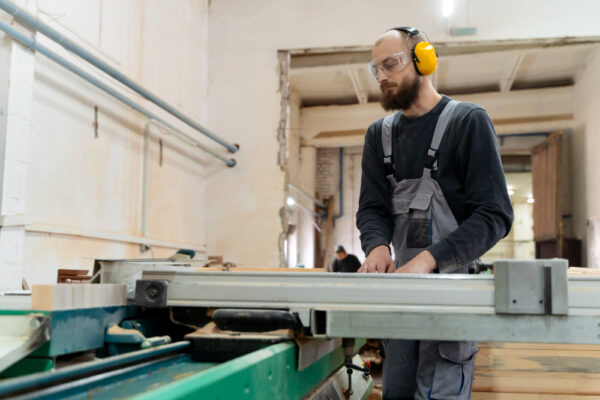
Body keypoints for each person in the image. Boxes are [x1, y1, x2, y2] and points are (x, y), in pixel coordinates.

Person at [356, 27, 513, 399]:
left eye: (390, 64)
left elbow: (494, 214)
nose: (381, 76)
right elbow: (371, 208)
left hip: (451, 297)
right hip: (401, 299)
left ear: (423, 59)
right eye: (375, 69)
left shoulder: (467, 122)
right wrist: (376, 245)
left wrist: (429, 260)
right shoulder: (378, 136)